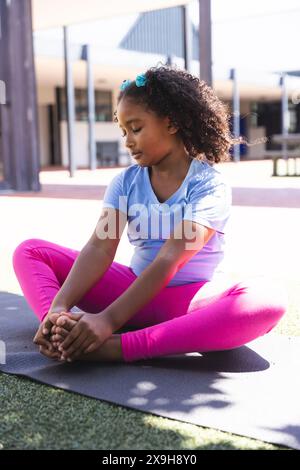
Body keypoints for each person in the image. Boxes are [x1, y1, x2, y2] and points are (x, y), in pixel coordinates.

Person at [12, 65, 288, 364]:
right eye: (123, 131)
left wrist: (107, 321)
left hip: (187, 304)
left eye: (136, 128)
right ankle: (59, 332)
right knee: (31, 252)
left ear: (171, 124)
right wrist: (58, 308)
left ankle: (115, 347)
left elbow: (170, 259)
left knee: (267, 299)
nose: (128, 140)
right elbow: (100, 247)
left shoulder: (209, 185)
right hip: (131, 289)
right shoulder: (125, 183)